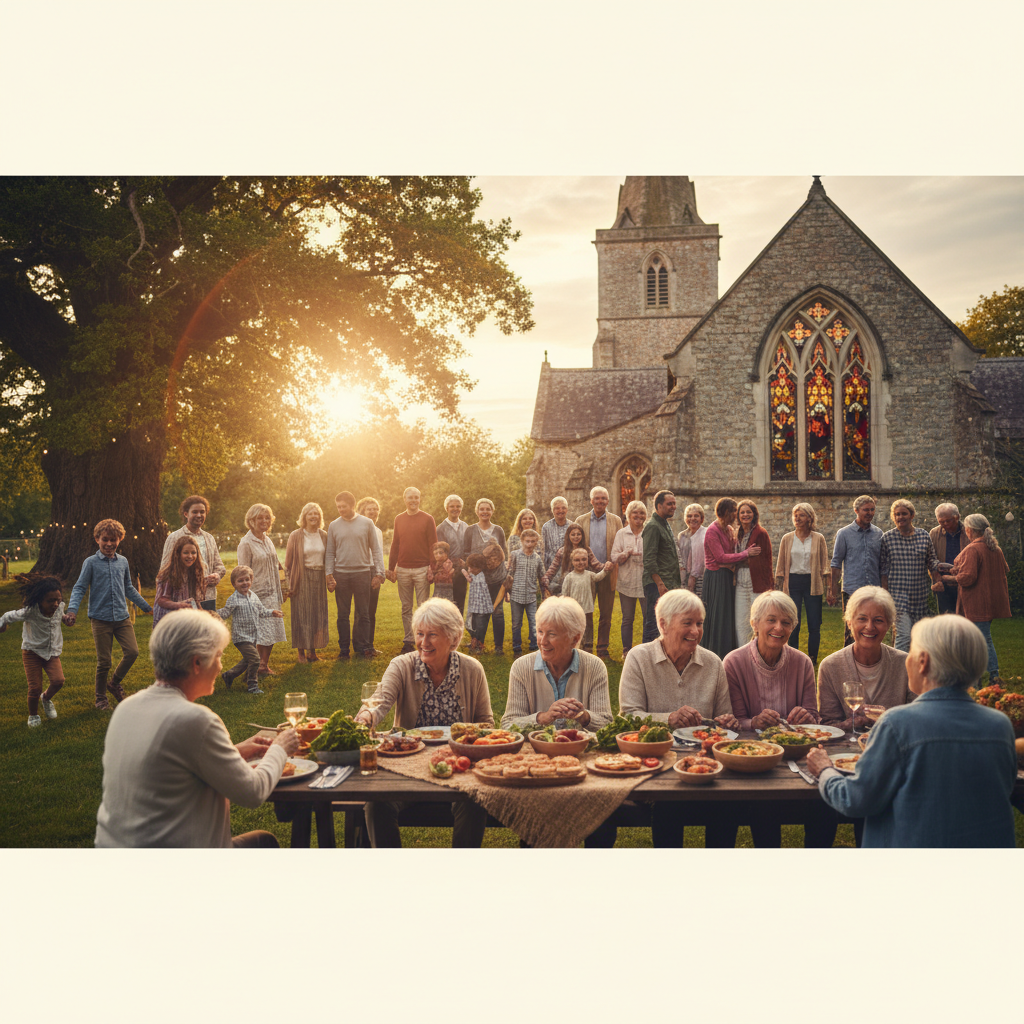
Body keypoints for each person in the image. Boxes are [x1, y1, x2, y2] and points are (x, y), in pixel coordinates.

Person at [806, 614, 1017, 847]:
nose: (906, 660)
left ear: (923, 662)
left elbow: (856, 800)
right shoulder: (1000, 726)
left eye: (911, 652)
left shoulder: (897, 725)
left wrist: (824, 769)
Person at [95, 610, 300, 847]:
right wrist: (281, 748)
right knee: (265, 843)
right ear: (196, 663)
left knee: (262, 841)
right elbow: (253, 792)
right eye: (219, 656)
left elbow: (172, 765)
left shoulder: (127, 708)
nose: (220, 665)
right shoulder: (195, 720)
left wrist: (235, 751)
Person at [355, 598, 493, 848]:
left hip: (458, 766)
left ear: (454, 638)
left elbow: (487, 723)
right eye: (419, 634)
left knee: (473, 803)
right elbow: (380, 700)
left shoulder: (472, 669)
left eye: (432, 635)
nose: (423, 643)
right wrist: (365, 717)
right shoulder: (402, 665)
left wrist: (471, 739)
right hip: (406, 766)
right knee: (377, 803)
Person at [618, 588, 738, 848]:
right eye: (687, 623)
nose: (695, 631)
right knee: (668, 807)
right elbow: (628, 718)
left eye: (699, 624)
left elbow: (721, 720)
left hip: (706, 763)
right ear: (662, 624)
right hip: (657, 763)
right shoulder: (639, 658)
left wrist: (726, 722)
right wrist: (668, 719)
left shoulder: (713, 663)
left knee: (727, 808)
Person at [501, 596, 616, 847]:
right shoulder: (521, 667)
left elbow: (608, 725)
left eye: (551, 634)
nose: (542, 640)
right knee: (537, 822)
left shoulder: (594, 667)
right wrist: (543, 717)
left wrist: (584, 717)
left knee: (601, 820)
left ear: (575, 638)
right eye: (540, 631)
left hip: (585, 765)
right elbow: (507, 725)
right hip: (536, 767)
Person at [724, 590, 821, 847]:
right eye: (771, 620)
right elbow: (734, 721)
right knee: (762, 809)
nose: (779, 627)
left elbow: (815, 720)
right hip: (751, 759)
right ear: (754, 624)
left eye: (786, 622)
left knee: (822, 807)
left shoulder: (802, 663)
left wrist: (806, 717)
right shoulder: (734, 662)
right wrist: (753, 723)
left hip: (793, 758)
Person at [67, 518, 152, 710]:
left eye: (113, 539)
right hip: (100, 619)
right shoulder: (90, 563)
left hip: (122, 617)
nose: (109, 544)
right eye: (105, 539)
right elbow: (80, 587)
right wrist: (72, 610)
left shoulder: (123, 562)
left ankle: (114, 683)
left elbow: (128, 588)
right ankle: (100, 699)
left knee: (132, 652)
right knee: (104, 661)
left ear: (120, 539)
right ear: (97, 539)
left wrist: (146, 606)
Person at [818, 586, 913, 729]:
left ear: (888, 625)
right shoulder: (830, 667)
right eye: (862, 619)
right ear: (849, 622)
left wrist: (888, 719)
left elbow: (917, 719)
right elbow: (828, 726)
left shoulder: (906, 664)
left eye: (878, 620)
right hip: (845, 750)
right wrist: (849, 724)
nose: (869, 627)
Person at [941, 513, 1012, 683]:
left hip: (976, 602)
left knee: (982, 639)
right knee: (980, 638)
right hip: (991, 601)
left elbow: (968, 578)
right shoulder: (995, 548)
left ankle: (992, 675)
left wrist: (946, 578)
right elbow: (1003, 569)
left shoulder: (973, 548)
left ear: (969, 530)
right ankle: (979, 675)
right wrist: (958, 568)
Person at [0, 575, 72, 728]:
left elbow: (60, 616)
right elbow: (8, 616)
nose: (55, 604)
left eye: (58, 599)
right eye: (50, 600)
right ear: (40, 600)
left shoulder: (58, 607)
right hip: (32, 652)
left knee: (58, 681)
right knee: (34, 687)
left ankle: (45, 698)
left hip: (51, 652)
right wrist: (2, 624)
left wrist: (65, 618)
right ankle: (33, 715)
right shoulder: (30, 611)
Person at [325, 491, 385, 660]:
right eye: (338, 507)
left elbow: (376, 550)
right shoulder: (334, 525)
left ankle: (365, 647)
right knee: (342, 615)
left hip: (362, 573)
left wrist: (379, 573)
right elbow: (330, 552)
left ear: (352, 505)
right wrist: (329, 574)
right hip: (341, 575)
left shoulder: (366, 523)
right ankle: (344, 650)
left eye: (343, 506)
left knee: (364, 613)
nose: (340, 510)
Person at [880, 498, 943, 652]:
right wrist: (885, 594)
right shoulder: (887, 538)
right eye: (897, 514)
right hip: (898, 596)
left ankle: (917, 670)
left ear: (912, 515)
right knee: (904, 636)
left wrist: (938, 578)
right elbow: (883, 570)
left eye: (904, 514)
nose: (900, 517)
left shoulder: (923, 536)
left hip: (919, 595)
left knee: (919, 637)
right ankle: (900, 672)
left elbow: (931, 561)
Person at [701, 498, 760, 660]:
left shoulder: (727, 529)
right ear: (726, 512)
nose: (737, 514)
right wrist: (746, 553)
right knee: (718, 615)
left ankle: (729, 652)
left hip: (727, 577)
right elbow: (720, 557)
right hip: (716, 578)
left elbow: (732, 552)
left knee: (728, 615)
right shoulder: (712, 531)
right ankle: (715, 653)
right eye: (734, 510)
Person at [774, 502, 829, 666]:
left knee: (814, 624)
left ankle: (812, 658)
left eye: (801, 515)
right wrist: (778, 585)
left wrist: (829, 589)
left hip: (813, 583)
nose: (797, 518)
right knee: (793, 622)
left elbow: (825, 564)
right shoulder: (787, 538)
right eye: (795, 515)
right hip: (793, 582)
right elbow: (780, 564)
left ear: (809, 518)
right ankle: (793, 657)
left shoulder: (818, 538)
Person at [217, 566, 286, 694]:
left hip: (253, 636)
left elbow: (261, 611)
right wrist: (213, 613)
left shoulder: (253, 596)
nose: (244, 583)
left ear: (251, 580)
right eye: (240, 581)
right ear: (234, 584)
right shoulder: (233, 599)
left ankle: (229, 675)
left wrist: (272, 612)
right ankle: (252, 685)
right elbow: (225, 612)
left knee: (248, 660)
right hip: (241, 637)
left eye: (247, 580)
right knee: (255, 659)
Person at [236, 504, 287, 676]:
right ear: (251, 521)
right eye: (260, 518)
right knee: (261, 632)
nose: (264, 521)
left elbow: (276, 565)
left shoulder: (267, 539)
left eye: (267, 517)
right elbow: (242, 571)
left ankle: (264, 665)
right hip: (256, 593)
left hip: (273, 590)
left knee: (271, 630)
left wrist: (283, 586)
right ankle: (255, 666)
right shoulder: (246, 543)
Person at [386, 486, 437, 654]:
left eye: (416, 497)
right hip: (403, 569)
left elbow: (433, 544)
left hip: (422, 568)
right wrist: (391, 567)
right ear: (405, 499)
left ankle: (423, 640)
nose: (413, 500)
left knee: (423, 607)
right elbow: (395, 544)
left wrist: (432, 567)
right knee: (406, 607)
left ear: (419, 499)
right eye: (410, 498)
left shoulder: (428, 519)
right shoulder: (399, 519)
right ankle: (408, 640)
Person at [574, 486, 622, 659]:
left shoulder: (616, 521)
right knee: (585, 612)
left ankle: (602, 648)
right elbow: (575, 545)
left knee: (606, 613)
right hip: (585, 574)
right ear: (591, 500)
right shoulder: (581, 520)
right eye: (597, 498)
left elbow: (619, 545)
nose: (600, 501)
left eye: (603, 498)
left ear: (607, 501)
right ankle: (585, 647)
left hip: (608, 573)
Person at [829, 494, 883, 646]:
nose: (870, 513)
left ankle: (869, 663)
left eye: (872, 510)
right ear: (856, 511)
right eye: (866, 510)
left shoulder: (879, 534)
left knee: (873, 630)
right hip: (852, 590)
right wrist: (832, 589)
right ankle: (849, 664)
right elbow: (836, 563)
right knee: (851, 631)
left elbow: (882, 565)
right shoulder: (844, 534)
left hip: (874, 591)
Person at [160, 494, 226, 610]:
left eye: (202, 512)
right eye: (195, 512)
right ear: (186, 514)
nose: (199, 515)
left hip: (208, 597)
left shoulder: (209, 538)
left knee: (208, 628)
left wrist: (216, 575)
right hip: (184, 598)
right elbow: (165, 570)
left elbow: (220, 566)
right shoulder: (174, 537)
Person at [284, 501, 330, 663]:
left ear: (320, 517)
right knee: (302, 615)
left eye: (316, 513)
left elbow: (329, 560)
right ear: (304, 516)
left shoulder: (324, 535)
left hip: (318, 578)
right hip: (300, 579)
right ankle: (301, 653)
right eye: (310, 513)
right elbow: (287, 563)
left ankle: (313, 653)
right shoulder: (296, 535)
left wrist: (330, 579)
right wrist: (287, 584)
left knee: (317, 614)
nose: (313, 516)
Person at [464, 498, 508, 653]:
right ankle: (478, 644)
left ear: (492, 511)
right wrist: (477, 563)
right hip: (479, 579)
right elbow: (466, 553)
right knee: (480, 613)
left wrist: (506, 577)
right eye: (481, 509)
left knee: (497, 612)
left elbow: (504, 552)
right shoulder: (470, 530)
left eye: (487, 509)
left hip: (498, 577)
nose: (484, 512)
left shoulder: (498, 530)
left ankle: (498, 647)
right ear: (477, 511)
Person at [733, 499, 774, 652]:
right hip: (740, 580)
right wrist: (744, 556)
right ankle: (742, 653)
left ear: (754, 514)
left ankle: (760, 650)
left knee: (758, 619)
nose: (745, 515)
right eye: (742, 512)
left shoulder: (760, 533)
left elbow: (766, 560)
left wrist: (769, 585)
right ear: (738, 515)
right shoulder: (737, 533)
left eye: (748, 512)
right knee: (741, 621)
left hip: (756, 580)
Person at [641, 489, 681, 643]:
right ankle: (645, 662)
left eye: (674, 503)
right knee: (653, 624)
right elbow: (649, 560)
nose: (673, 507)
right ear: (658, 505)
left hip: (668, 583)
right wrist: (660, 584)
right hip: (656, 585)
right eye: (669, 504)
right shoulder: (653, 526)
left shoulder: (664, 524)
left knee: (665, 624)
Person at [610, 499, 647, 655]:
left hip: (646, 581)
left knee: (648, 618)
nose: (638, 516)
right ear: (628, 516)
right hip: (626, 581)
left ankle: (647, 650)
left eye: (642, 513)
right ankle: (627, 651)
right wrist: (625, 554)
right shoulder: (622, 533)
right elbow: (613, 557)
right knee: (627, 618)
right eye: (635, 513)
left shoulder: (649, 531)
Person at [505, 529, 548, 654]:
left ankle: (534, 644)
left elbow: (542, 576)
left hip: (531, 595)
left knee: (534, 621)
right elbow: (510, 574)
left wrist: (544, 593)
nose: (530, 544)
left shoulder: (537, 558)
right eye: (527, 541)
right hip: (516, 594)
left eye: (533, 541)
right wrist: (506, 591)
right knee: (516, 623)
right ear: (522, 541)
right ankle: (516, 645)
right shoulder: (515, 555)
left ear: (536, 542)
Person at [560, 548, 607, 650]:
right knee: (575, 628)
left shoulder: (589, 574)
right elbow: (564, 594)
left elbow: (598, 577)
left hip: (587, 609)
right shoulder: (569, 577)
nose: (580, 562)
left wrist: (606, 570)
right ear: (572, 562)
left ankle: (588, 645)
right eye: (577, 560)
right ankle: (576, 646)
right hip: (574, 610)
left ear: (587, 561)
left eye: (583, 559)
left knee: (588, 627)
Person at [153, 534, 206, 626]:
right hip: (168, 620)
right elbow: (162, 600)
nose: (190, 556)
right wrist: (180, 605)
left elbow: (195, 599)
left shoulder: (194, 572)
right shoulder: (169, 574)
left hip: (183, 617)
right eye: (186, 552)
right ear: (178, 554)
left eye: (193, 552)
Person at [542, 523, 606, 598]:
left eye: (578, 534)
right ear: (568, 536)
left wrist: (607, 566)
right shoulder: (562, 551)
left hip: (584, 584)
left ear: (582, 536)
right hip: (569, 584)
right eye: (573, 534)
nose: (576, 537)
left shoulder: (587, 550)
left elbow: (597, 565)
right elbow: (553, 568)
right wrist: (546, 578)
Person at [356, 496, 386, 651]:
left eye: (375, 509)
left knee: (371, 610)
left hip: (374, 570)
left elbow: (379, 554)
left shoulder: (378, 531)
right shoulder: (357, 528)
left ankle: (369, 645)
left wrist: (380, 573)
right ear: (363, 511)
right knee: (361, 610)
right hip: (361, 570)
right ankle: (359, 645)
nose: (373, 512)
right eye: (370, 509)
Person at [436, 494, 469, 614]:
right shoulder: (440, 528)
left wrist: (465, 563)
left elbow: (468, 548)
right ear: (447, 508)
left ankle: (458, 631)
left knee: (460, 603)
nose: (455, 508)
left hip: (462, 571)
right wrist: (449, 566)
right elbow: (440, 552)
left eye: (458, 506)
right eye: (452, 506)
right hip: (446, 572)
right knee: (446, 605)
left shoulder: (466, 527)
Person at [930, 502, 965, 616]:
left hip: (965, 583)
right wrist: (937, 580)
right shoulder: (934, 533)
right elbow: (930, 558)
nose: (945, 524)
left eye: (948, 520)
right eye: (941, 521)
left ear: (957, 517)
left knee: (965, 620)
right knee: (946, 619)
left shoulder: (969, 531)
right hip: (943, 584)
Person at [462, 553, 491, 654]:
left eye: (472, 568)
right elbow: (464, 571)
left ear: (480, 567)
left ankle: (479, 644)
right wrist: (466, 572)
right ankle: (473, 641)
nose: (469, 570)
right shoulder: (473, 574)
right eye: (469, 567)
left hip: (483, 607)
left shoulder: (484, 576)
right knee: (472, 624)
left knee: (480, 626)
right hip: (474, 605)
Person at [541, 496, 572, 591]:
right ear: (552, 510)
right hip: (551, 572)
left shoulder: (572, 526)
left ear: (567, 510)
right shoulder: (546, 527)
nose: (560, 510)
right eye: (557, 508)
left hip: (568, 570)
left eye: (563, 508)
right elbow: (543, 550)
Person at [681, 504, 707, 597]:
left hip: (702, 576)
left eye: (696, 516)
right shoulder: (682, 535)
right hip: (685, 576)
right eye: (689, 516)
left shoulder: (706, 533)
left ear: (702, 518)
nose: (692, 518)